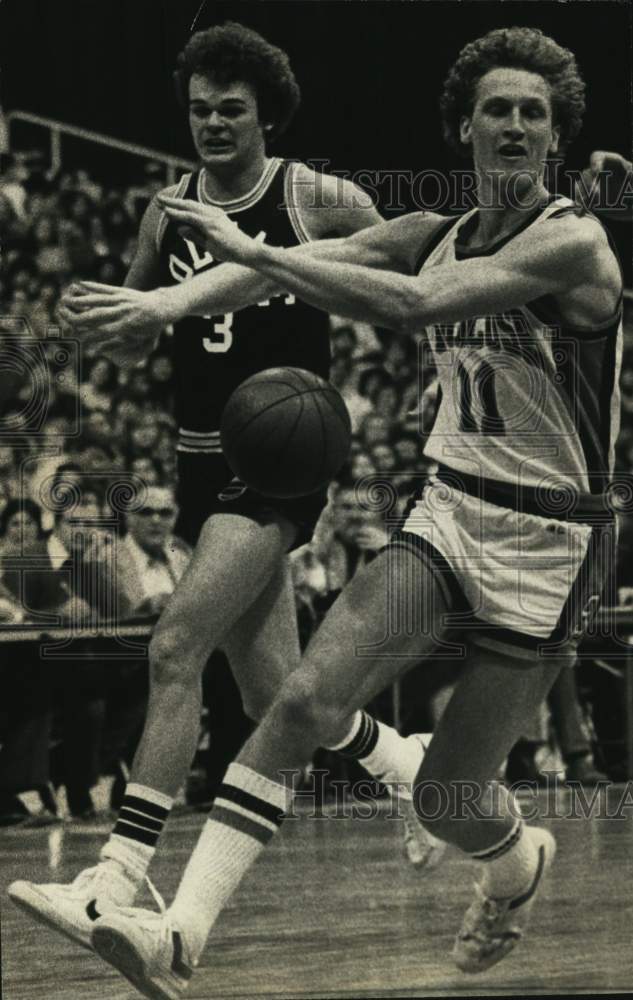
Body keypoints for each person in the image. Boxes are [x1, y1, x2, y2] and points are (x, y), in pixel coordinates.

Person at [71, 27, 623, 995]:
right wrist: (169, 306)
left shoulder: (574, 239)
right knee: (300, 699)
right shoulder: (430, 226)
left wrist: (256, 249)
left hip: (551, 540)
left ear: (556, 137)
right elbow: (291, 261)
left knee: (454, 800)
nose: (516, 124)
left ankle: (515, 861)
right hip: (449, 514)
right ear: (463, 127)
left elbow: (412, 303)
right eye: (497, 107)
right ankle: (178, 935)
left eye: (535, 112)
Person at [8, 22, 442, 952]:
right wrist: (99, 323)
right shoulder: (165, 213)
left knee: (174, 646)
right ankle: (414, 770)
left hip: (286, 458)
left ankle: (116, 877)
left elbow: (407, 272)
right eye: (199, 108)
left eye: (230, 109)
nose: (211, 122)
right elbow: (138, 331)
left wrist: (322, 289)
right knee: (277, 695)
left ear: (264, 115)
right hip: (201, 458)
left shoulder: (314, 195)